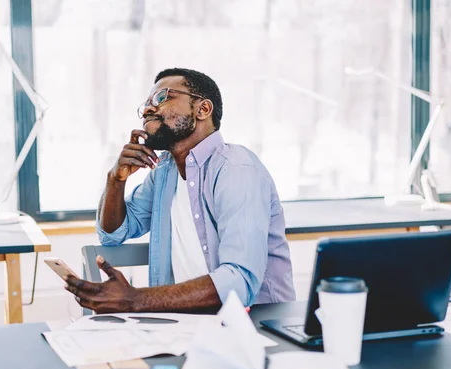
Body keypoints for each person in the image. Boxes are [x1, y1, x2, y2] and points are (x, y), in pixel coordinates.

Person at [65, 68, 295, 313]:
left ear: (202, 110)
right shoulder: (165, 172)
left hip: (255, 328)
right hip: (188, 325)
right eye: (145, 104)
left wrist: (134, 299)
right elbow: (112, 234)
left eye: (162, 97)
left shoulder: (237, 169)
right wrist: (115, 179)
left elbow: (239, 282)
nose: (147, 110)